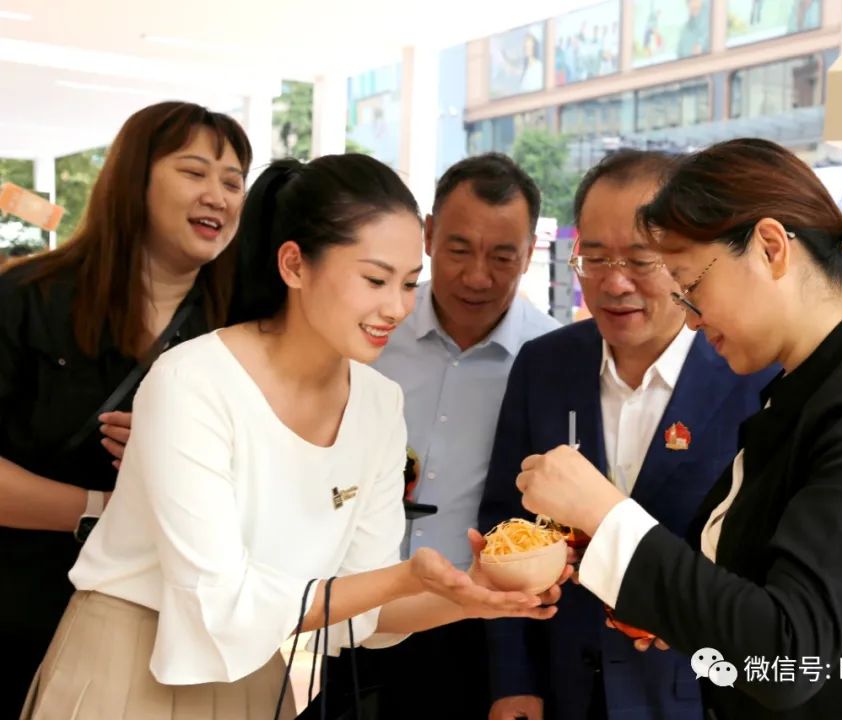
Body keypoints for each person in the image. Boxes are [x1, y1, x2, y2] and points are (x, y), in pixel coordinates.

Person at [19, 153, 565, 720]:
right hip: (129, 666)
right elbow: (218, 606)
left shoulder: (378, 403)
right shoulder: (194, 381)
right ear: (294, 265)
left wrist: (472, 594)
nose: (397, 307)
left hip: (255, 674)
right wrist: (404, 577)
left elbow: (361, 616)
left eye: (408, 283)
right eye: (375, 280)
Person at [515, 138, 842, 719]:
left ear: (770, 248)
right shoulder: (805, 390)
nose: (691, 318)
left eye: (691, 285)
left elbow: (790, 654)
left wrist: (607, 515)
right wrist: (667, 604)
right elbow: (755, 601)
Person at [481, 150, 777, 720]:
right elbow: (503, 523)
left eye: (642, 260)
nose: (614, 283)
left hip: (695, 693)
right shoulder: (545, 365)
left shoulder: (751, 375)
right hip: (564, 687)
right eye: (593, 258)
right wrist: (514, 681)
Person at [0, 101, 251, 715]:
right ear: (133, 179)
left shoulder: (244, 327)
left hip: (170, 640)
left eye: (233, 181)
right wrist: (105, 508)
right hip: (22, 613)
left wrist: (186, 457)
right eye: (194, 172)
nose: (217, 196)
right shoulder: (27, 299)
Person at [326, 153, 560, 718]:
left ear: (530, 252)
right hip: (356, 601)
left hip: (473, 617)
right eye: (458, 249)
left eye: (502, 256)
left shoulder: (549, 359)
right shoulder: (373, 328)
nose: (477, 276)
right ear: (428, 235)